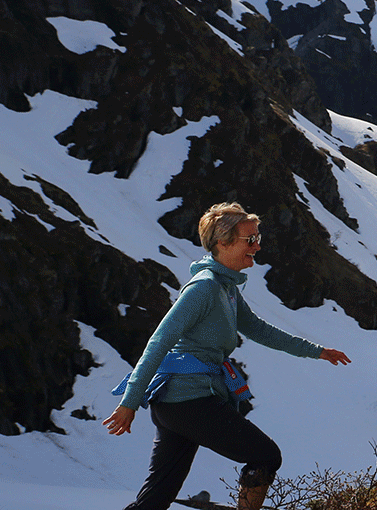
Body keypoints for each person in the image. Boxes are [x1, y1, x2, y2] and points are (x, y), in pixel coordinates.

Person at [103, 203, 352, 510]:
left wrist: (317, 352)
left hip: (176, 403)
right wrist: (129, 402)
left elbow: (259, 330)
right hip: (188, 400)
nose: (257, 246)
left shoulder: (226, 287)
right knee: (266, 456)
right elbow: (158, 342)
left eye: (257, 237)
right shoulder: (204, 289)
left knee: (156, 498)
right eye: (250, 239)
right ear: (222, 242)